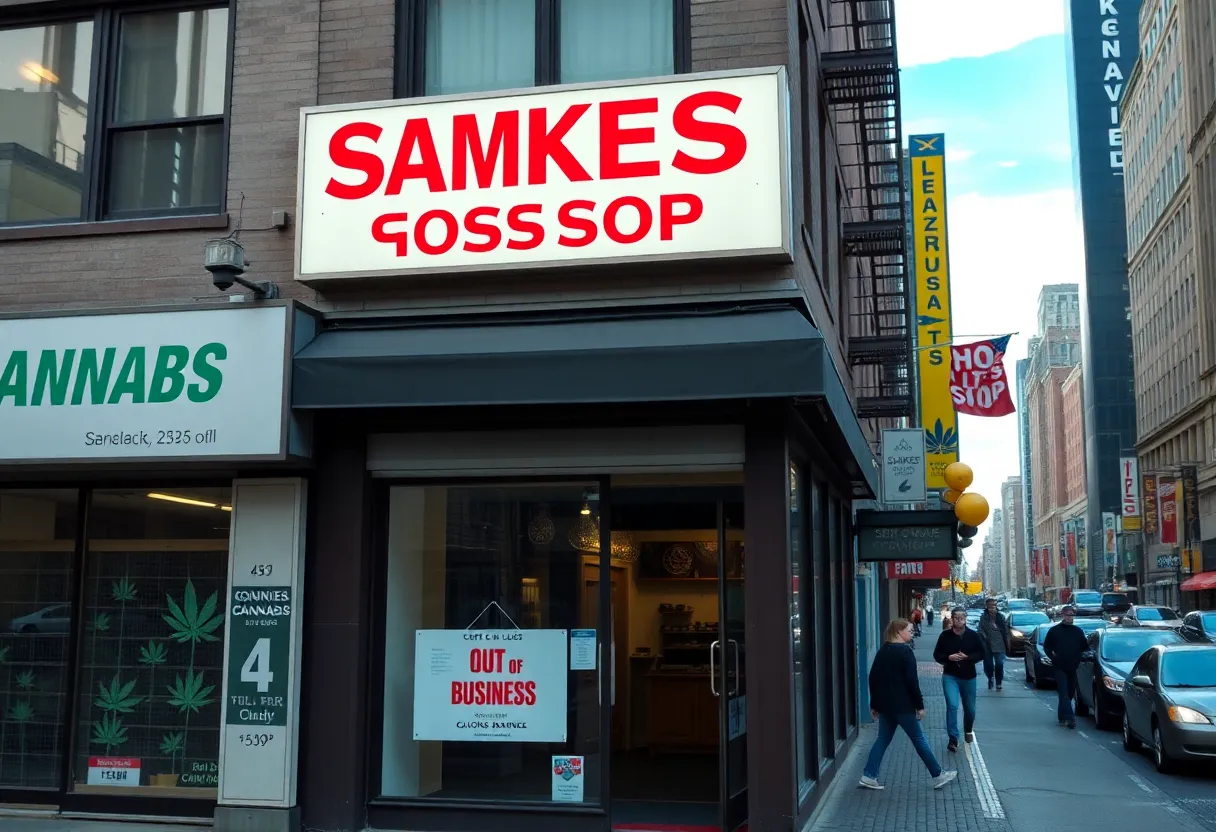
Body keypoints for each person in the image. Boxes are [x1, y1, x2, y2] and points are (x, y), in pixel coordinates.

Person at [859, 618, 958, 791]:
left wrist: (874, 704)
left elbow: (873, 678)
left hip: (885, 706)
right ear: (899, 632)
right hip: (903, 705)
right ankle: (938, 774)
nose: (912, 633)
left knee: (882, 739)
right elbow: (912, 681)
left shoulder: (883, 650)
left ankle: (869, 775)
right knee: (919, 739)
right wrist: (920, 705)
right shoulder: (905, 652)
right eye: (910, 631)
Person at [933, 607, 985, 752]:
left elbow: (982, 653)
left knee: (970, 708)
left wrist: (968, 657)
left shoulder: (973, 636)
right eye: (956, 617)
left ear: (966, 618)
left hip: (969, 677)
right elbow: (937, 655)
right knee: (952, 705)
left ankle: (968, 729)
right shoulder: (945, 636)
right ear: (952, 618)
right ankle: (953, 739)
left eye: (962, 617)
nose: (959, 619)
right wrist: (948, 657)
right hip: (950, 676)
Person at [1042, 605, 1089, 728]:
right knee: (1063, 692)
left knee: (1068, 694)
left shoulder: (1078, 632)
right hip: (1059, 667)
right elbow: (1047, 647)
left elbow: (1085, 648)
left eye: (1072, 615)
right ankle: (1070, 718)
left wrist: (1081, 657)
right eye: (1068, 615)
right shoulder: (1054, 631)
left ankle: (1062, 716)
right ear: (1062, 615)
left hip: (1073, 667)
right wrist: (1053, 657)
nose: (1070, 617)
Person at [977, 598, 1011, 691]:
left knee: (999, 663)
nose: (992, 608)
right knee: (988, 664)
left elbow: (1006, 630)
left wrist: (1007, 641)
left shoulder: (1000, 616)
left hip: (999, 644)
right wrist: (984, 637)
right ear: (987, 607)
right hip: (988, 644)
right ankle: (990, 677)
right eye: (990, 606)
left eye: (994, 606)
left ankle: (999, 682)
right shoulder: (983, 617)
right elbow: (980, 629)